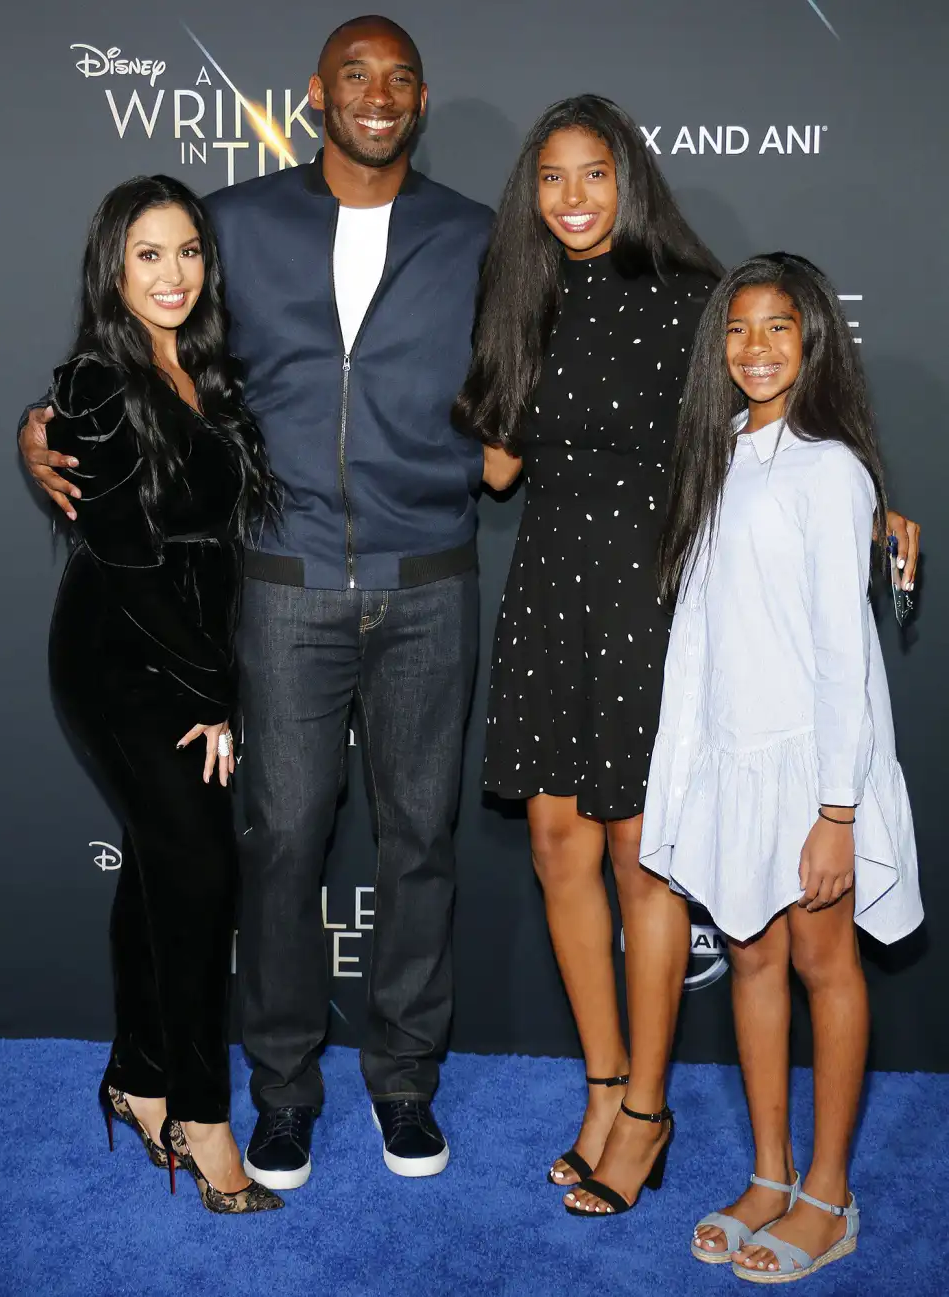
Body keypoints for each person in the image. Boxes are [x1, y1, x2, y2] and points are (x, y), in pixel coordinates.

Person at [20, 16, 493, 1187]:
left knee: (419, 845)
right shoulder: (231, 221)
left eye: (396, 80)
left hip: (428, 581)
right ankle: (279, 1092)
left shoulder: (478, 236)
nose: (374, 96)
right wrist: (36, 426)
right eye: (352, 76)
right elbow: (130, 353)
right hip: (278, 592)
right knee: (278, 847)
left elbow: (547, 381)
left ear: (420, 99)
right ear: (316, 94)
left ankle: (404, 1085)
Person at [454, 96, 920, 1218]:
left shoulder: (687, 302)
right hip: (548, 587)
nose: (573, 199)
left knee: (638, 853)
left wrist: (875, 510)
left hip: (651, 588)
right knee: (557, 843)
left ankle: (651, 1109)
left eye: (594, 175)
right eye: (552, 179)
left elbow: (780, 419)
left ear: (632, 181)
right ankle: (605, 1088)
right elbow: (497, 472)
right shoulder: (524, 294)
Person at [643, 252, 922, 1279]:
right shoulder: (711, 450)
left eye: (778, 329)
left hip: (811, 772)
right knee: (752, 961)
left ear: (812, 343)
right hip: (728, 762)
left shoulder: (831, 468)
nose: (754, 349)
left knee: (821, 964)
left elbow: (844, 653)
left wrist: (836, 811)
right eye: (737, 329)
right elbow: (704, 634)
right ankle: (768, 1175)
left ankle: (828, 1194)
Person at [46, 175, 281, 1213]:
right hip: (120, 654)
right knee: (196, 874)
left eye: (188, 251)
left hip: (191, 648)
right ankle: (202, 1113)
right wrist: (217, 691)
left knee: (161, 863)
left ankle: (138, 1078)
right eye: (149, 253)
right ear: (112, 265)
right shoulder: (95, 385)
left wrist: (214, 670)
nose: (174, 273)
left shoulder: (205, 374)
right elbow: (130, 561)